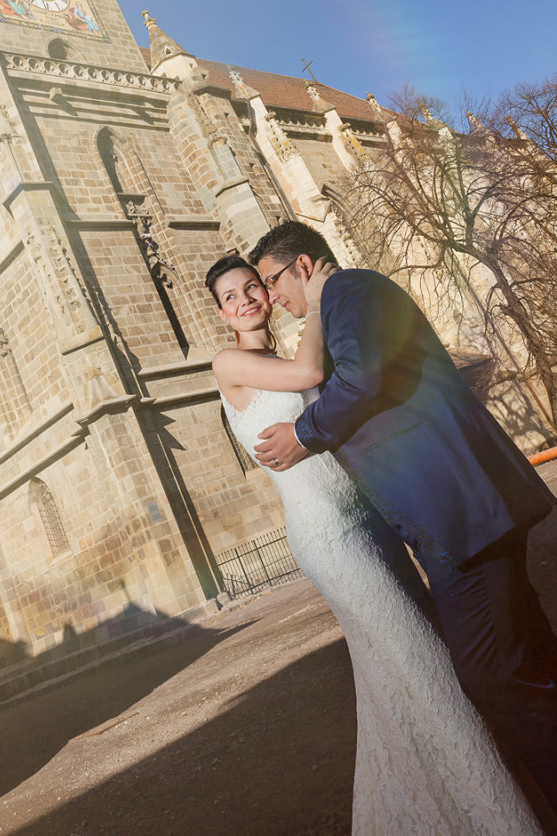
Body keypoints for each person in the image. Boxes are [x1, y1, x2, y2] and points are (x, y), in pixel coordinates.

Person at [208, 251, 544, 834]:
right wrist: (313, 301)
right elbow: (316, 379)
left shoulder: (287, 350)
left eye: (256, 286)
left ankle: (477, 785)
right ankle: (483, 808)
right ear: (220, 314)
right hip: (331, 533)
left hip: (373, 518)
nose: (249, 299)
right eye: (232, 296)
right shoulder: (229, 361)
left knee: (429, 652)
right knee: (418, 658)